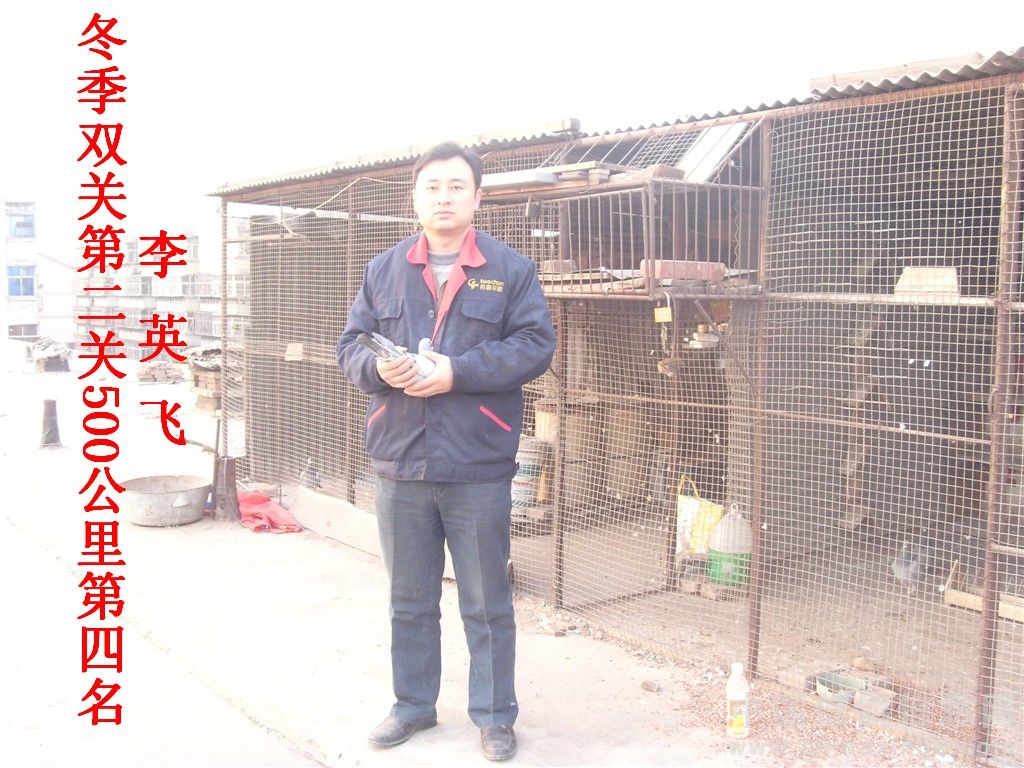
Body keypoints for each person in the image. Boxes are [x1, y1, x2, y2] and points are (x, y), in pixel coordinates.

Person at [337, 142, 555, 761]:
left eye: (457, 186)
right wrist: (381, 370)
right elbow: (351, 344)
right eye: (432, 186)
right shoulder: (384, 270)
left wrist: (456, 371)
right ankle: (412, 706)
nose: (444, 197)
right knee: (409, 598)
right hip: (400, 459)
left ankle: (494, 715)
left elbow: (535, 346)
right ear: (415, 197)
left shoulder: (510, 270)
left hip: (476, 461)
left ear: (477, 197)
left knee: (486, 600)